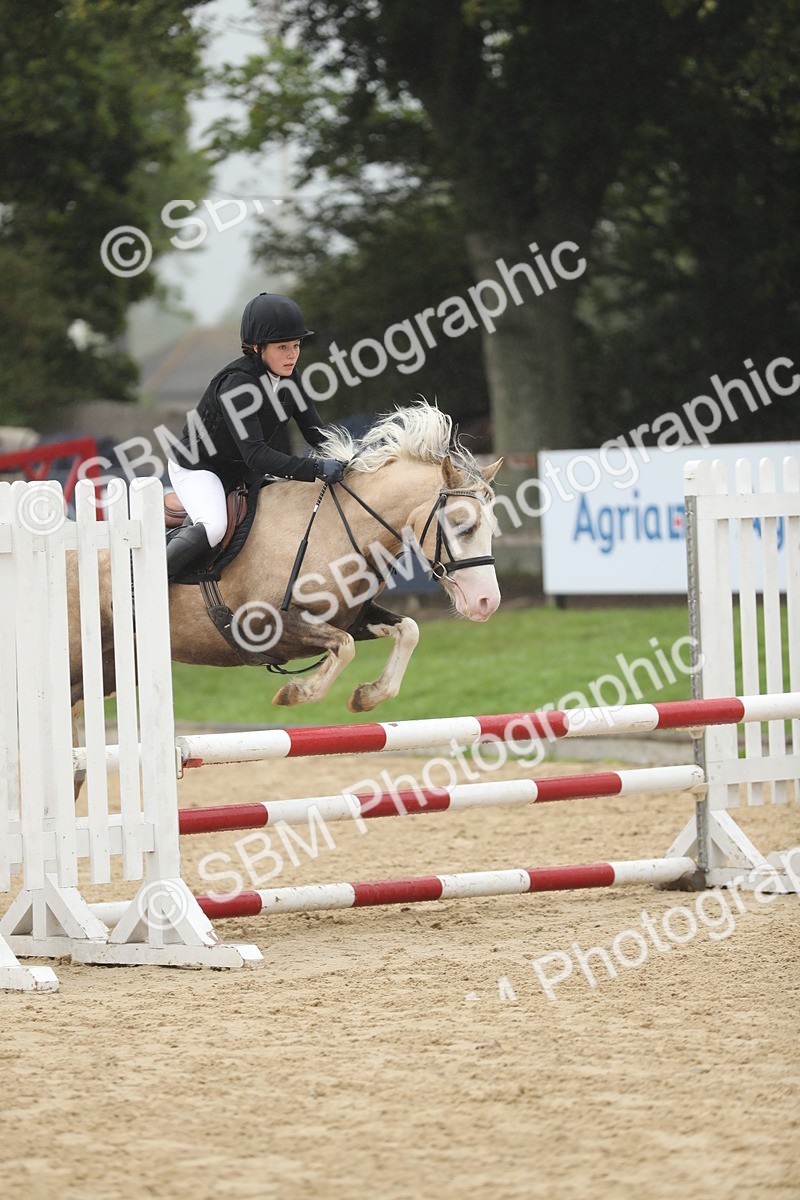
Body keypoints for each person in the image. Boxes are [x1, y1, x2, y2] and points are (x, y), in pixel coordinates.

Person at [165, 292, 344, 580]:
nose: (292, 355)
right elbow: (257, 455)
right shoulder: (237, 384)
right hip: (200, 467)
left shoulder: (291, 377)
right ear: (257, 348)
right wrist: (316, 468)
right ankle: (142, 584)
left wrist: (351, 456)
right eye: (283, 347)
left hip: (240, 470)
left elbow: (315, 434)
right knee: (213, 527)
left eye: (296, 346)